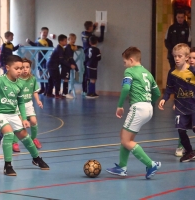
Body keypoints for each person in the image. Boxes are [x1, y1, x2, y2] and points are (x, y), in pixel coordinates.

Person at [0, 55, 49, 176]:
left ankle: (36, 158)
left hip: (12, 114)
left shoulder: (20, 84)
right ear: (7, 68)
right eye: (16, 68)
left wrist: (23, 118)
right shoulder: (0, 80)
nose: (20, 71)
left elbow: (21, 103)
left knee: (25, 137)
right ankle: (8, 165)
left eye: (21, 68)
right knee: (9, 134)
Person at [106, 47, 161, 179]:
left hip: (138, 108)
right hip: (148, 108)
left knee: (126, 140)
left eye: (124, 62)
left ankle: (150, 164)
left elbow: (126, 87)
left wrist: (120, 106)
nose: (124, 65)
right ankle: (122, 167)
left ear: (131, 60)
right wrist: (148, 103)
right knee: (125, 137)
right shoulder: (148, 73)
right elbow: (157, 93)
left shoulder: (129, 71)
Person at [158, 44, 195, 162]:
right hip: (180, 107)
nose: (177, 59)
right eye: (175, 56)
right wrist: (164, 98)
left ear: (187, 57)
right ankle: (189, 152)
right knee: (181, 130)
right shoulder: (172, 73)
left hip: (193, 106)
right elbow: (169, 88)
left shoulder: (193, 71)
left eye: (179, 56)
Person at [12, 58, 43, 152]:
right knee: (19, 124)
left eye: (27, 67)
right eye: (23, 67)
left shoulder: (32, 79)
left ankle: (33, 138)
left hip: (28, 104)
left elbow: (35, 92)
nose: (25, 69)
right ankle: (14, 142)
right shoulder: (16, 79)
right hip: (18, 104)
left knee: (33, 121)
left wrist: (38, 101)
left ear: (30, 68)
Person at [46, 34, 76, 99]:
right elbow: (62, 60)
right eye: (65, 41)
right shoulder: (59, 49)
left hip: (51, 64)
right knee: (57, 79)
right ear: (61, 41)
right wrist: (70, 65)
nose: (66, 42)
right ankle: (57, 94)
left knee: (51, 79)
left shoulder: (60, 48)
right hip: (53, 65)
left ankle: (49, 93)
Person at [26, 27, 53, 95]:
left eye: (46, 32)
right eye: (44, 32)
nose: (45, 34)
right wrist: (29, 42)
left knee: (46, 74)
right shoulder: (38, 40)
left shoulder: (49, 42)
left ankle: (47, 89)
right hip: (39, 59)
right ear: (40, 33)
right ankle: (42, 88)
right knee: (40, 73)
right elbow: (35, 45)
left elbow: (51, 50)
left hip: (46, 60)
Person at [81, 21, 105, 96]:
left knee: (86, 74)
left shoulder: (83, 34)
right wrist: (102, 28)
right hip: (93, 60)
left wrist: (93, 27)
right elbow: (100, 39)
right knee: (92, 77)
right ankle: (90, 92)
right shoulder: (96, 48)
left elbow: (89, 34)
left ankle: (85, 91)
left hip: (86, 56)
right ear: (90, 27)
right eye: (92, 26)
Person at [61, 33, 80, 99]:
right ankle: (65, 93)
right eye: (72, 39)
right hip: (66, 64)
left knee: (67, 78)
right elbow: (70, 58)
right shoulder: (68, 47)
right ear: (68, 39)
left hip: (68, 65)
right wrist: (76, 67)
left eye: (74, 39)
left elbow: (78, 46)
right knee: (66, 79)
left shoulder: (71, 46)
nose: (73, 40)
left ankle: (65, 92)